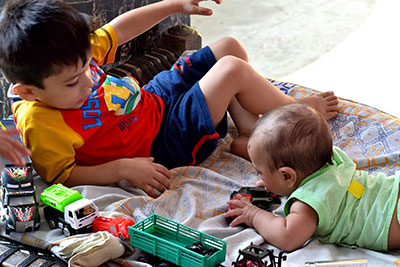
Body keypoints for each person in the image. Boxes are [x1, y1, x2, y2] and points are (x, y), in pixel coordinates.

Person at [0, 0, 338, 198]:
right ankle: (295, 113)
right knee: (231, 70)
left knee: (228, 48)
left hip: (153, 98)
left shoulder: (71, 52)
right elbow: (61, 175)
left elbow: (120, 29)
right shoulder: (39, 122)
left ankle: (252, 132)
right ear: (28, 91)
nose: (89, 81)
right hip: (164, 141)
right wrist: (123, 168)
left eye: (90, 66)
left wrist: (174, 4)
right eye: (73, 83)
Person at [224, 102, 400, 252]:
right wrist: (277, 186)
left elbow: (287, 237)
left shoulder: (307, 205)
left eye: (260, 172)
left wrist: (253, 214)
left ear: (287, 176)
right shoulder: (333, 159)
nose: (258, 176)